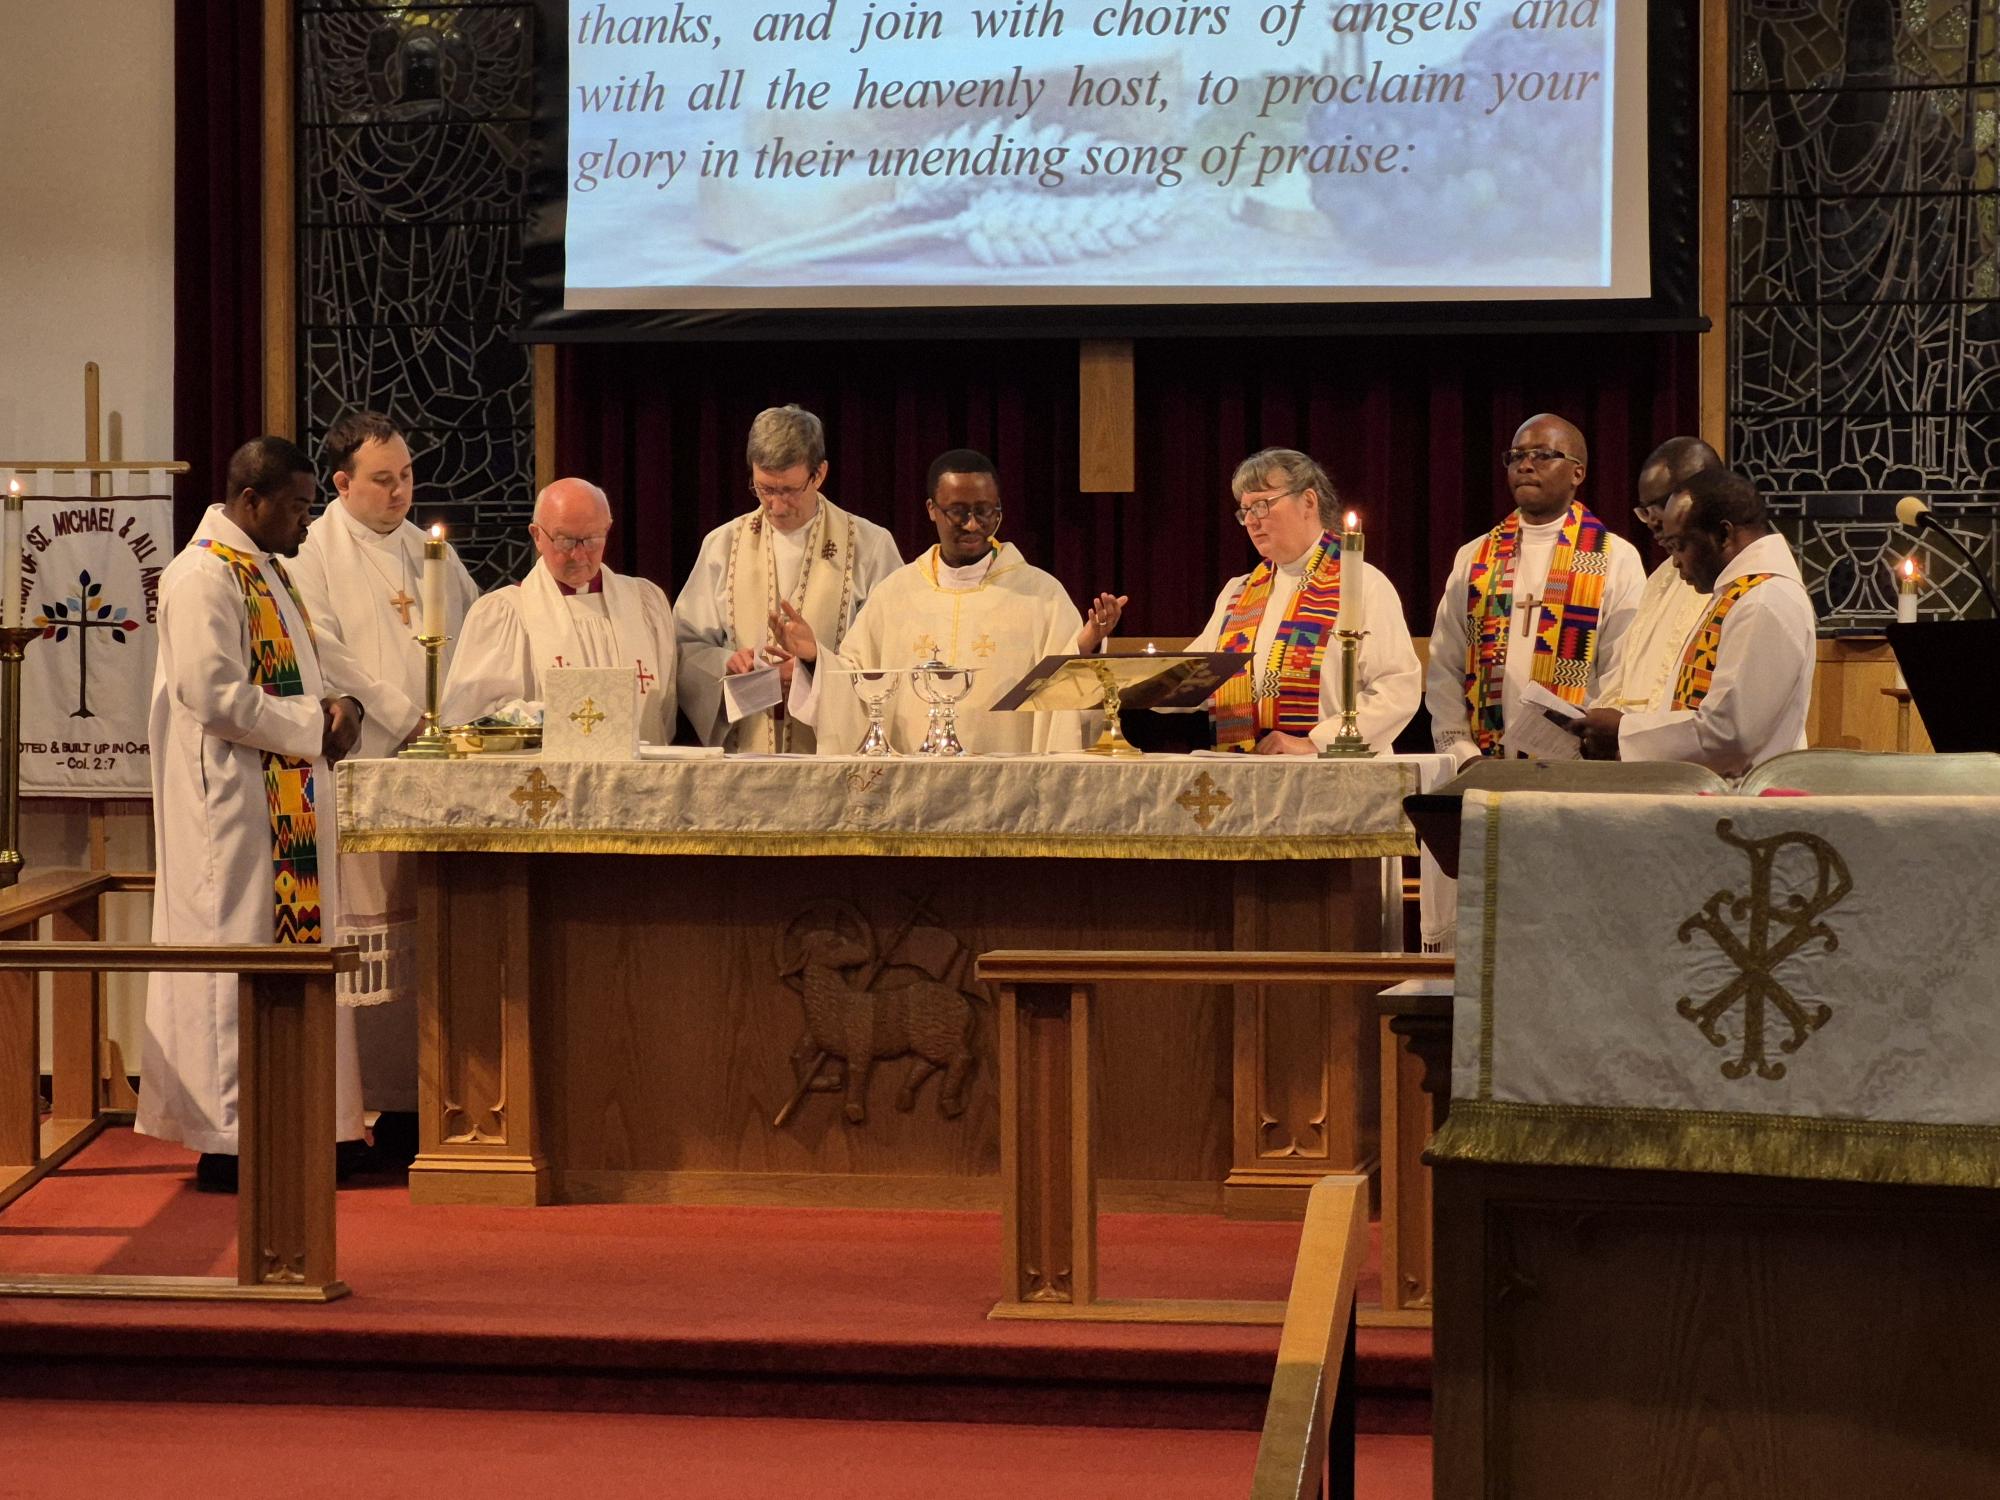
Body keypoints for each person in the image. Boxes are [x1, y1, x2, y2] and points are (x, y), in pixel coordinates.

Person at [137, 437, 378, 1192]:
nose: (309, 523)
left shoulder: (262, 569)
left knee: (288, 961)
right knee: (233, 966)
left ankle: (296, 1124)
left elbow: (303, 667)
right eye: (300, 507)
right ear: (252, 502)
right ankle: (231, 1141)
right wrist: (315, 726)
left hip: (281, 803)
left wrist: (345, 706)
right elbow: (212, 696)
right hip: (234, 816)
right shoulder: (203, 577)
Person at [288, 411, 478, 1127]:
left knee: (422, 943)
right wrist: (408, 714)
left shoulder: (426, 549)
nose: (401, 492)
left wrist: (454, 716)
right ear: (341, 482)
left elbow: (469, 632)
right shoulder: (312, 550)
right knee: (362, 944)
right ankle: (353, 1112)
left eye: (406, 476)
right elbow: (327, 653)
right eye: (383, 479)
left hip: (432, 772)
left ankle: (414, 1108)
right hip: (361, 770)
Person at [777, 449, 1125, 754]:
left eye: (986, 512)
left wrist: (1085, 643)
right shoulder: (896, 594)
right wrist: (814, 658)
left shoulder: (1040, 595)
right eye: (958, 512)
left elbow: (1061, 694)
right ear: (932, 509)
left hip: (1007, 790)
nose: (973, 525)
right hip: (914, 788)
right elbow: (856, 687)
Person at [676, 405, 901, 751]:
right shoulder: (723, 545)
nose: (777, 506)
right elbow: (685, 645)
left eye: (790, 490)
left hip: (834, 758)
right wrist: (728, 665)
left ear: (820, 474)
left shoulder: (869, 546)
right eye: (765, 489)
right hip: (747, 753)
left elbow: (891, 653)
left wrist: (813, 670)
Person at [1425, 413, 1647, 763]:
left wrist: (1592, 748)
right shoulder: (1474, 558)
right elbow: (1445, 667)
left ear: (1578, 473)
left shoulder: (1615, 558)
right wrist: (1462, 752)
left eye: (1542, 455)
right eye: (1516, 456)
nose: (1525, 465)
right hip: (1483, 765)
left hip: (1578, 766)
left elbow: (1623, 669)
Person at [1577, 467, 1815, 775]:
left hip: (1741, 805)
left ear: (1723, 534)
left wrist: (1623, 733)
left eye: (1679, 545)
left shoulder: (1764, 600)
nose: (1675, 562)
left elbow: (1731, 735)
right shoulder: (1739, 594)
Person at [1189, 448, 1420, 754]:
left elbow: (1396, 689)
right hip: (1247, 773)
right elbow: (1188, 678)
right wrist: (1110, 662)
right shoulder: (1238, 593)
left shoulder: (1363, 585)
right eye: (1244, 511)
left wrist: (1313, 742)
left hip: (1337, 771)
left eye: (1262, 505)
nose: (1251, 522)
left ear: (1308, 501)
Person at [441, 477, 678, 742]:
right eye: (565, 541)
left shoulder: (646, 604)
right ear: (537, 535)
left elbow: (663, 713)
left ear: (607, 529)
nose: (578, 555)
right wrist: (546, 716)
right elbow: (468, 724)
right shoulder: (504, 613)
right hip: (542, 781)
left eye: (591, 540)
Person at [1598, 436, 1723, 714]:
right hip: (1644, 751)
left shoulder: (1737, 576)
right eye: (1645, 510)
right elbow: (1626, 673)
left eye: (1662, 504)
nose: (1653, 520)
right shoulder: (1661, 576)